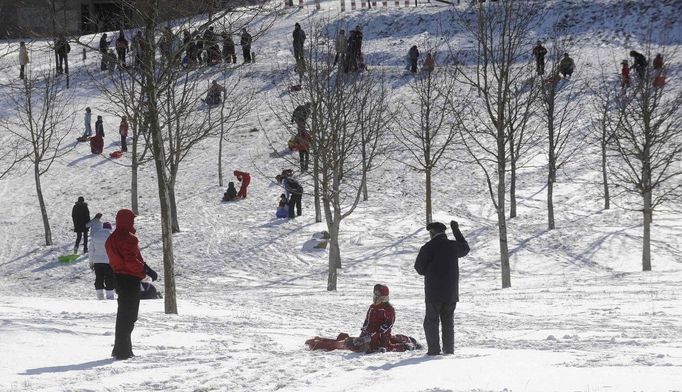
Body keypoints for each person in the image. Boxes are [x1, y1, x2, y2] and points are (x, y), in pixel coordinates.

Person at [105, 209, 158, 360]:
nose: (133, 222)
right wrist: (145, 270)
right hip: (130, 279)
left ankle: (120, 348)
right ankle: (124, 351)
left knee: (122, 315)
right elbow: (131, 260)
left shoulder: (111, 239)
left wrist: (143, 268)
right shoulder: (128, 238)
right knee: (129, 316)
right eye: (132, 219)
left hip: (118, 277)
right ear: (127, 220)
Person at [306, 284, 420, 353]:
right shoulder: (372, 307)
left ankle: (406, 345)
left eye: (378, 294)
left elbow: (385, 327)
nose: (375, 297)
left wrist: (370, 337)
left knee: (387, 346)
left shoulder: (388, 309)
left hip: (380, 338)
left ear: (384, 297)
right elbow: (367, 321)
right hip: (368, 335)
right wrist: (364, 333)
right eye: (374, 294)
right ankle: (321, 341)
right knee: (351, 342)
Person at [414, 220, 470, 356]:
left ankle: (434, 351)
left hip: (433, 293)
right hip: (451, 292)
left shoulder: (428, 247)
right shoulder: (452, 246)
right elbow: (465, 248)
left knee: (431, 322)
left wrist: (430, 269)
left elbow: (419, 268)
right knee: (448, 322)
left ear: (432, 233)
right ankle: (448, 350)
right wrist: (456, 230)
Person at [87, 215, 115, 300]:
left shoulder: (95, 236)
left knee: (99, 278)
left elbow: (91, 250)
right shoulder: (111, 236)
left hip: (97, 262)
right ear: (110, 228)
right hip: (109, 262)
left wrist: (91, 262)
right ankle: (110, 296)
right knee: (109, 278)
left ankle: (100, 296)